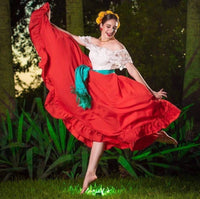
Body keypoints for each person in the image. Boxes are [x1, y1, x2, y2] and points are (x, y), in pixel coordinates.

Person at [29, 3, 181, 194]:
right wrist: (50, 25)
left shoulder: (118, 46)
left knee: (129, 117)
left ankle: (157, 134)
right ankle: (91, 172)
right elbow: (69, 37)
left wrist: (151, 91)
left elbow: (131, 69)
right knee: (100, 128)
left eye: (114, 28)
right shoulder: (92, 41)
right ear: (101, 25)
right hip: (93, 87)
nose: (111, 30)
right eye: (108, 26)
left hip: (111, 88)